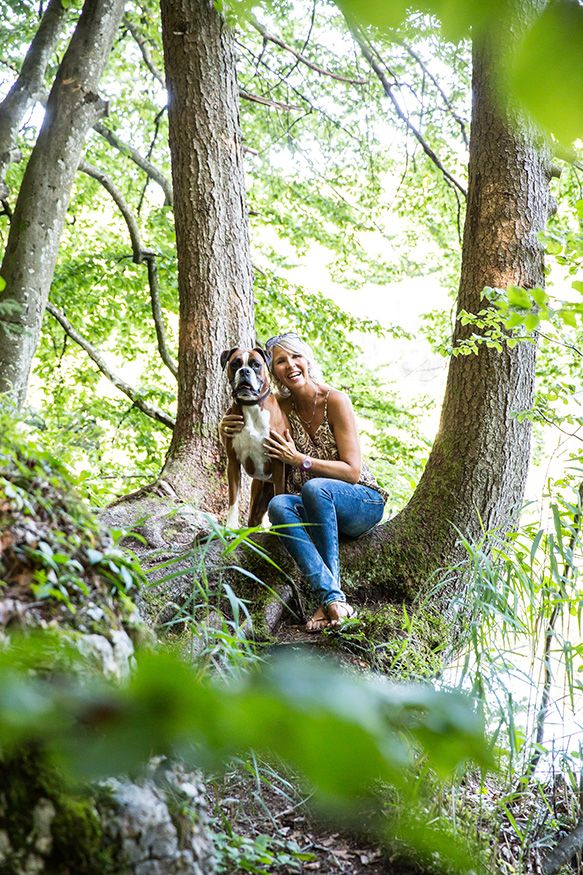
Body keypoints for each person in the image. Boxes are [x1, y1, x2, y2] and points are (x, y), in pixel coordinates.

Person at [220, 332, 387, 632]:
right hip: (316, 506)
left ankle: (332, 599)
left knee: (314, 486)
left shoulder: (335, 400)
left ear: (307, 360)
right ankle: (333, 602)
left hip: (361, 501)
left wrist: (300, 460)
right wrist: (226, 424)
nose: (290, 365)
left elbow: (352, 471)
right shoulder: (279, 408)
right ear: (272, 371)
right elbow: (251, 427)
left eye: (296, 357)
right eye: (281, 361)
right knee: (279, 505)